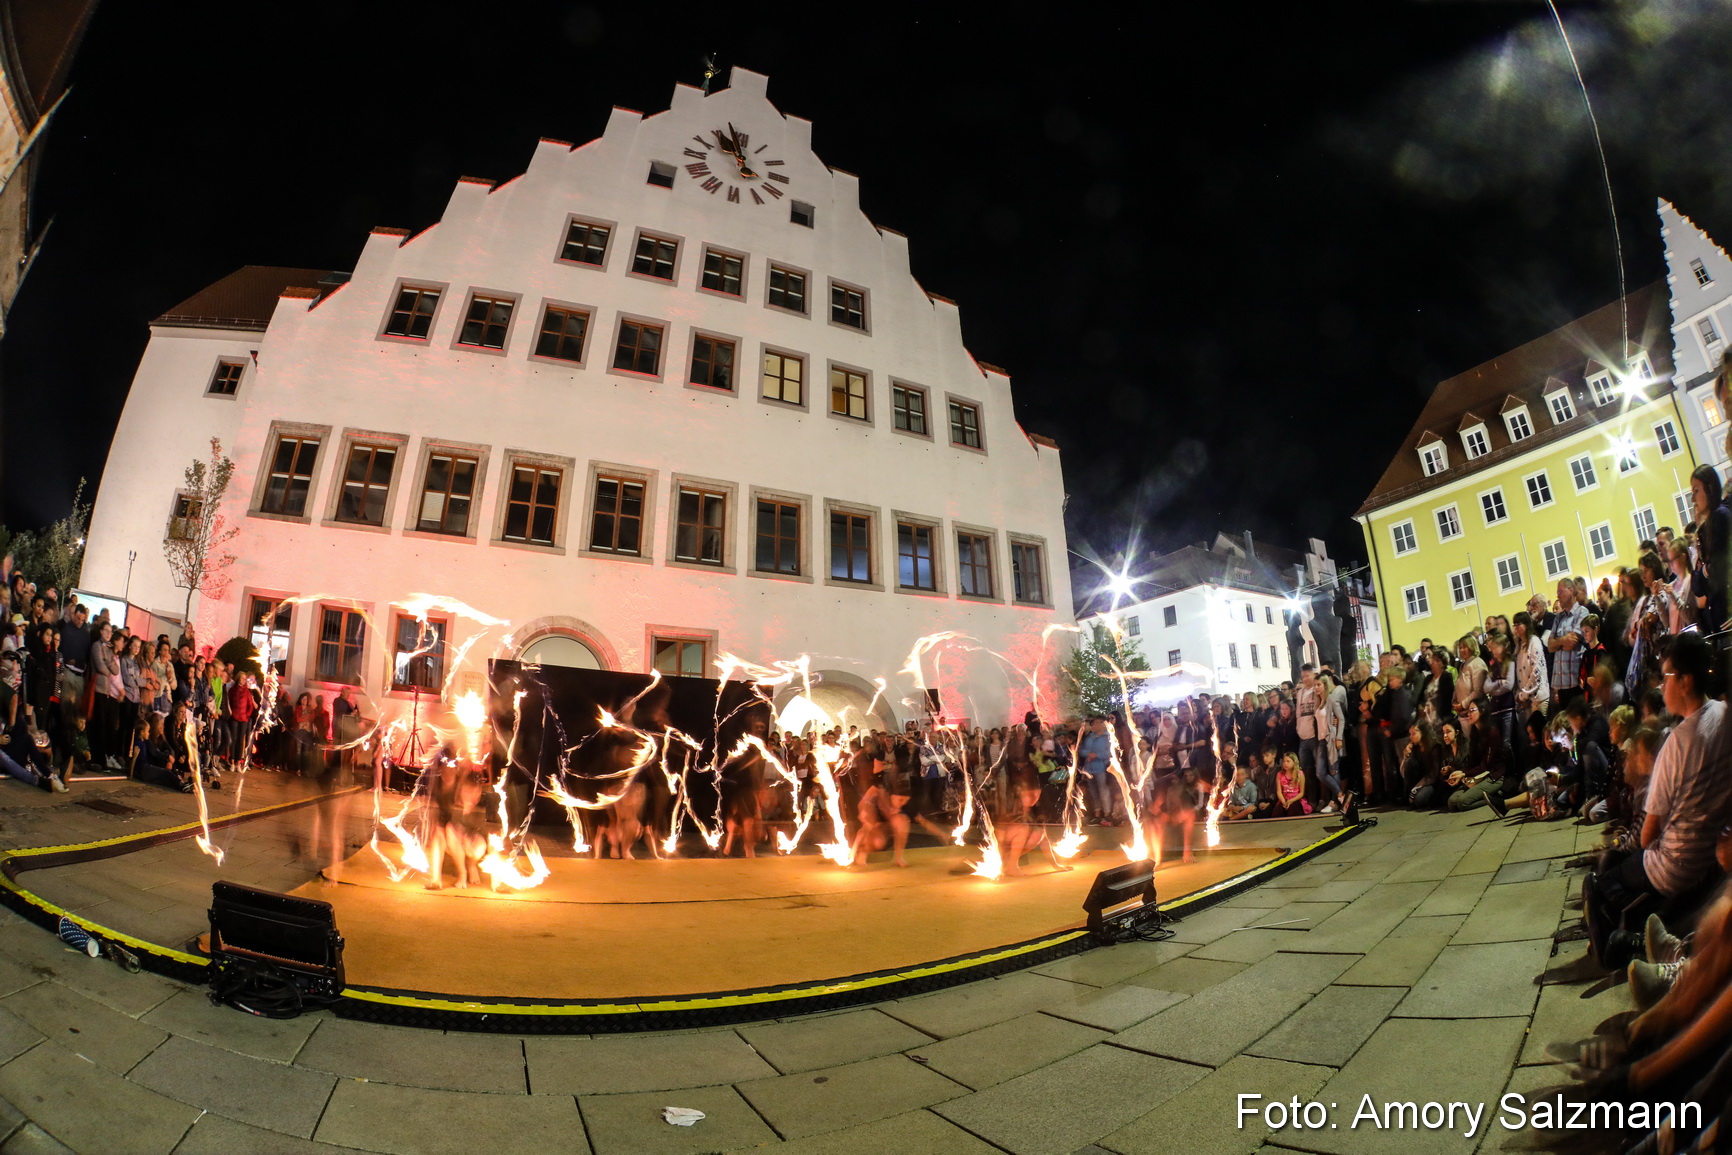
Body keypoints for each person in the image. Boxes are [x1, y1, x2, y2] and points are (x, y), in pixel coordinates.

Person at [1585, 634, 1728, 961]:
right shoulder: (1724, 714)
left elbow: (1648, 835)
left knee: (1605, 879)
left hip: (1680, 864)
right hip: (1715, 856)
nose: (1661, 686)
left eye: (1666, 677)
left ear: (1685, 681)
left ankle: (1628, 935)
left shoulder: (1676, 744)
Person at [1270, 752, 1309, 817]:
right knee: (1277, 813)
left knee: (1293, 811)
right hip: (1284, 799)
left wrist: (1291, 801)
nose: (1285, 763)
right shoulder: (1280, 774)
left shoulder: (1300, 774)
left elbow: (1301, 793)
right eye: (1284, 761)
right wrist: (1283, 801)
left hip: (1295, 799)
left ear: (1294, 762)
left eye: (1288, 761)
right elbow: (1279, 791)